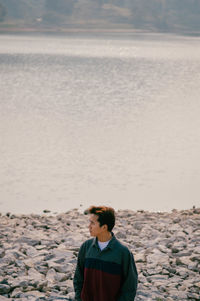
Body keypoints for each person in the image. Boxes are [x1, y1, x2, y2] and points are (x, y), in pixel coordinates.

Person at [73, 205, 138, 301]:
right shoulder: (86, 247)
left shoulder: (123, 253)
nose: (89, 226)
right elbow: (78, 278)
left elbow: (130, 287)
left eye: (92, 223)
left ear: (104, 227)